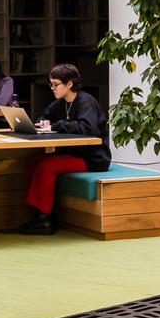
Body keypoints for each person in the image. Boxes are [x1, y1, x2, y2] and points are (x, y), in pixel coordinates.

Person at [16, 63, 110, 236]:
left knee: (46, 167)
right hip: (72, 153)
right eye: (51, 84)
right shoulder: (59, 103)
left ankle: (44, 220)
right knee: (33, 161)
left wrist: (56, 125)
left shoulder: (85, 101)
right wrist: (44, 122)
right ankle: (37, 212)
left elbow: (88, 128)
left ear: (70, 84)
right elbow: (45, 117)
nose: (52, 88)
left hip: (93, 158)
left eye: (56, 84)